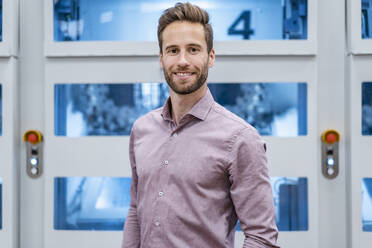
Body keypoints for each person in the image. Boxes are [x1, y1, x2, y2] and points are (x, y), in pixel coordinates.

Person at [122, 2, 279, 248]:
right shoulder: (142, 129)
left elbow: (261, 237)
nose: (182, 61)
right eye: (173, 50)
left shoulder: (240, 138)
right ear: (161, 59)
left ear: (211, 57)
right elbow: (135, 211)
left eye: (193, 49)